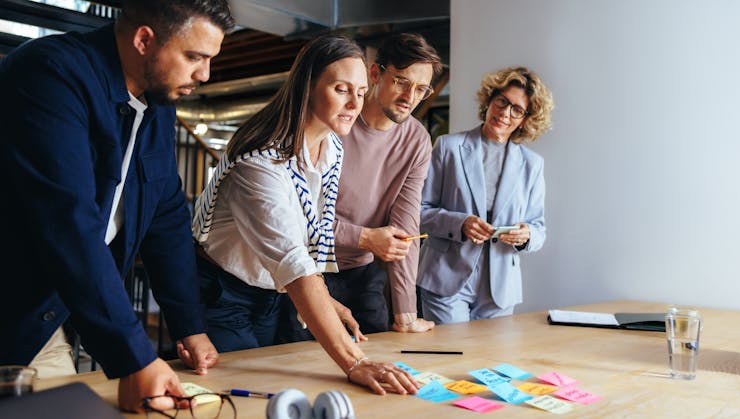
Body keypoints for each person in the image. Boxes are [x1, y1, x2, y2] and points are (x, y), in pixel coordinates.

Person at [0, 0, 234, 412]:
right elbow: (68, 223)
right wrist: (135, 356)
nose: (204, 74)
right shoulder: (49, 74)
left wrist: (189, 324)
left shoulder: (157, 105)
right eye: (194, 56)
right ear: (145, 39)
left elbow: (166, 216)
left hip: (48, 315)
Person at [192, 34, 418, 395]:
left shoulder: (331, 147)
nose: (354, 104)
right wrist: (355, 362)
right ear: (308, 85)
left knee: (271, 391)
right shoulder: (260, 160)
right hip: (221, 291)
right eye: (342, 89)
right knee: (235, 395)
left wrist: (325, 300)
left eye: (361, 93)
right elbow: (294, 261)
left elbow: (308, 232)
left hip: (270, 291)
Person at [277, 33, 443, 343]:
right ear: (376, 73)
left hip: (362, 272)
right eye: (402, 82)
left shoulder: (418, 139)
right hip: (306, 268)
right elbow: (298, 215)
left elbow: (406, 226)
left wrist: (405, 313)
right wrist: (365, 237)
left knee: (379, 360)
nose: (410, 97)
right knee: (303, 365)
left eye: (421, 89)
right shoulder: (333, 120)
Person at [417, 66, 554, 323]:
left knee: (493, 360)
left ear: (525, 119)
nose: (504, 113)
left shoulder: (532, 164)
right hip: (446, 277)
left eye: (516, 109)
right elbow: (419, 210)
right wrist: (461, 223)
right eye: (501, 101)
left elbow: (539, 228)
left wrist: (526, 235)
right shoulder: (449, 147)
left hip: (500, 288)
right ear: (490, 99)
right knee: (452, 357)